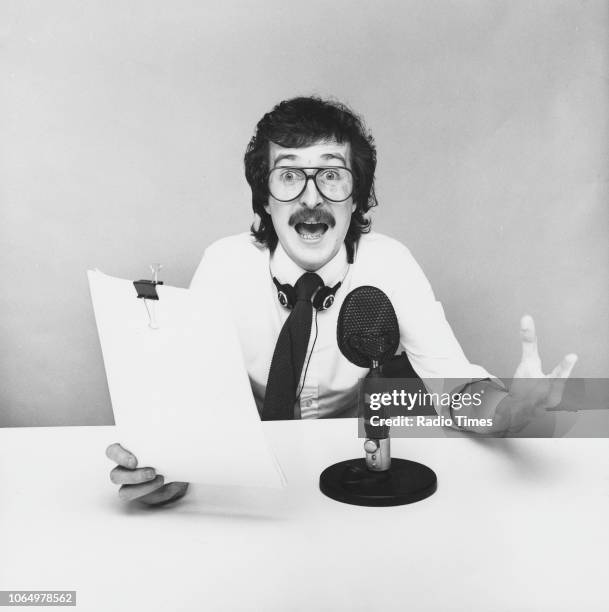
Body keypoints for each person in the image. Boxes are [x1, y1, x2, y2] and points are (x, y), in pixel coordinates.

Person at [106, 96, 578, 505]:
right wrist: (165, 468)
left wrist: (509, 413)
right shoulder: (223, 266)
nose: (311, 197)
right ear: (264, 199)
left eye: (332, 175)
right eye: (289, 175)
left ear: (357, 197)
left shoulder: (390, 264)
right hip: (250, 481)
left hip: (351, 470)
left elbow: (454, 389)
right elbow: (189, 404)